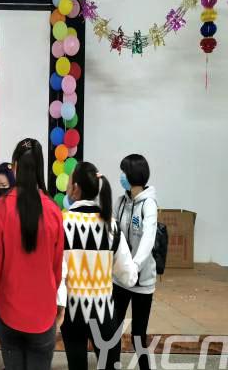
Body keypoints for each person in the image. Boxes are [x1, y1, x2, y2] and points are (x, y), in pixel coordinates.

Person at [0, 138, 64, 370]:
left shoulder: (1, 209)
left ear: (14, 167)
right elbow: (56, 271)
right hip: (43, 318)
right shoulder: (54, 212)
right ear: (41, 168)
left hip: (9, 316)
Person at [60, 162, 138, 370]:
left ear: (75, 187)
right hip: (104, 312)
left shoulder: (62, 223)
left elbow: (57, 272)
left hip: (72, 311)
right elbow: (129, 277)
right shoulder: (111, 225)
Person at [112, 154, 158, 370]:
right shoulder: (120, 202)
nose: (121, 176)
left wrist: (135, 266)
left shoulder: (149, 204)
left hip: (142, 281)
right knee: (113, 330)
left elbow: (148, 238)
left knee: (138, 335)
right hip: (120, 279)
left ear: (132, 175)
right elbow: (111, 232)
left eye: (124, 172)